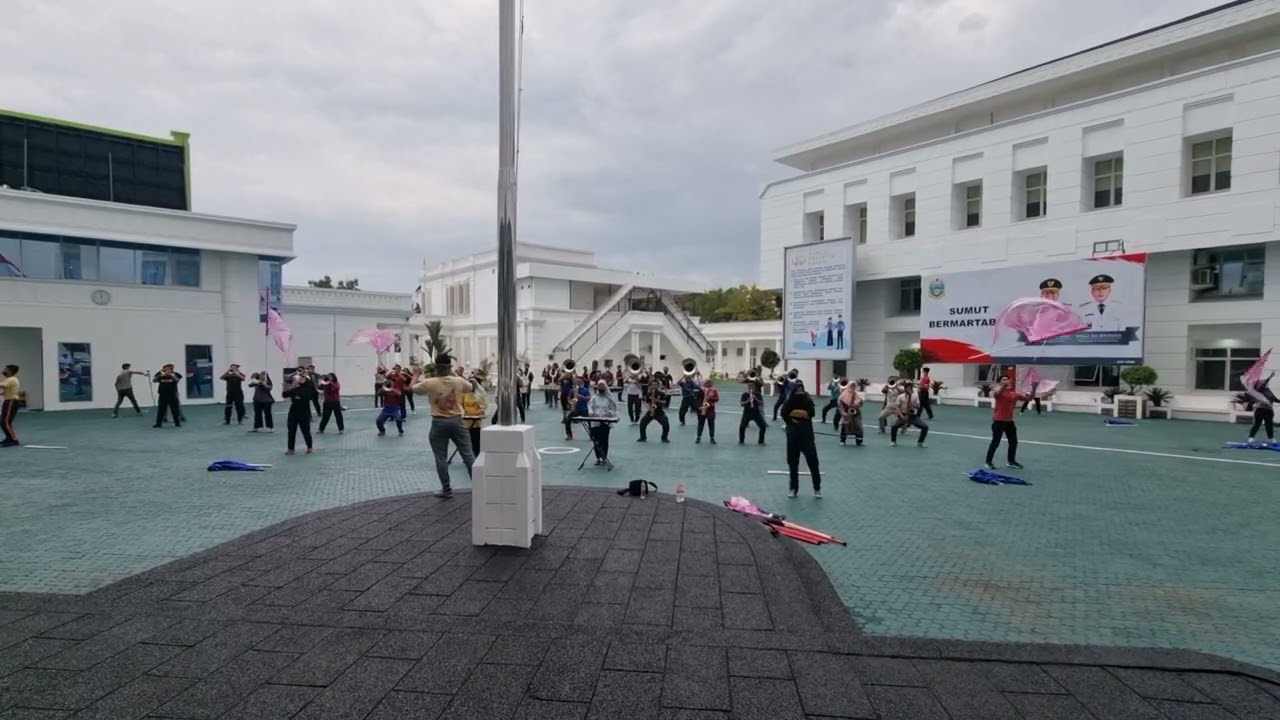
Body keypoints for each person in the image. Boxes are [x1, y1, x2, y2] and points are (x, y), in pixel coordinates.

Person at [410, 354, 475, 498]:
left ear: (436, 367)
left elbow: (412, 388)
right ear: (450, 367)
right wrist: (456, 375)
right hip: (458, 421)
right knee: (468, 455)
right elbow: (471, 387)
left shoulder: (430, 383)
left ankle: (446, 489)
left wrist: (415, 375)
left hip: (439, 422)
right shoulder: (458, 381)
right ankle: (479, 486)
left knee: (440, 457)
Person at [779, 380, 821, 499]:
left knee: (813, 462)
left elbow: (812, 413)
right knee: (792, 463)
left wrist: (804, 402)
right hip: (793, 436)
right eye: (797, 389)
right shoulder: (789, 400)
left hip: (807, 436)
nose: (799, 391)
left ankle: (817, 488)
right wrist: (791, 422)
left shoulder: (807, 399)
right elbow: (783, 413)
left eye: (801, 389)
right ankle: (793, 488)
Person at [985, 374, 1030, 470]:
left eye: (1007, 379)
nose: (1006, 381)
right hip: (998, 421)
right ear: (1000, 382)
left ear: (1010, 382)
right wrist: (1003, 386)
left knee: (1013, 442)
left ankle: (1011, 461)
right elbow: (997, 394)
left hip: (1009, 422)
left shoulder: (1014, 394)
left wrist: (1033, 391)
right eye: (1003, 379)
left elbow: (1027, 399)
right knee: (995, 442)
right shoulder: (997, 392)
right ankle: (988, 462)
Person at [282, 368, 316, 455]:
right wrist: (285, 388)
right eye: (300, 378)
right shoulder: (296, 388)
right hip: (293, 412)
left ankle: (309, 447)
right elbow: (284, 395)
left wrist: (294, 387)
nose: (300, 379)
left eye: (303, 378)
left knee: (305, 431)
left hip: (304, 413)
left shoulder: (308, 389)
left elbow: (310, 395)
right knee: (291, 431)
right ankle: (290, 449)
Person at [889, 380, 929, 448]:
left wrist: (912, 404)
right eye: (907, 388)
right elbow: (897, 408)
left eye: (910, 388)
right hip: (903, 415)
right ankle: (893, 441)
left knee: (925, 427)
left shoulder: (915, 396)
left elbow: (918, 407)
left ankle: (920, 442)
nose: (909, 389)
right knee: (893, 426)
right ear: (905, 389)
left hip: (912, 416)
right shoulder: (900, 397)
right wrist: (901, 416)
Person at [587, 379, 617, 465]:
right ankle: (598, 457)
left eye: (602, 386)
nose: (600, 387)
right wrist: (592, 414)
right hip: (595, 421)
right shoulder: (594, 398)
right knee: (596, 440)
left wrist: (609, 413)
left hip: (605, 422)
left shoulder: (609, 398)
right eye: (599, 385)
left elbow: (613, 409)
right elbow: (590, 407)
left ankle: (604, 457)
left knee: (604, 440)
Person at [637, 378, 670, 443]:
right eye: (653, 385)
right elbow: (645, 402)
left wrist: (656, 400)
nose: (654, 386)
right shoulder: (648, 393)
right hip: (650, 411)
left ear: (658, 386)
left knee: (666, 424)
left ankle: (664, 438)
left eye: (655, 385)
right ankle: (643, 437)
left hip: (659, 411)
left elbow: (664, 402)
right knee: (642, 423)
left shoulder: (661, 393)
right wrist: (649, 409)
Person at [1247, 373, 1277, 444]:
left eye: (1264, 382)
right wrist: (1269, 377)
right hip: (1260, 409)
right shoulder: (1260, 390)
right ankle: (1251, 437)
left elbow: (1276, 399)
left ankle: (1271, 438)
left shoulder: (1271, 391)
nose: (1263, 383)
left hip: (1269, 410)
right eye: (1262, 382)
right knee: (1257, 424)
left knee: (1269, 425)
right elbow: (1262, 385)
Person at [462, 376, 488, 454]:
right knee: (467, 437)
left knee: (476, 437)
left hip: (476, 420)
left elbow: (484, 405)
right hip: (466, 419)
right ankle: (468, 453)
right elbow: (460, 404)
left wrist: (480, 411)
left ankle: (477, 452)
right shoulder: (464, 394)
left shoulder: (479, 394)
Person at [739, 380, 767, 445]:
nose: (751, 388)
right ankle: (741, 441)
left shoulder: (758, 394)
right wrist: (748, 400)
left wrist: (756, 399)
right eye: (749, 387)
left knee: (763, 427)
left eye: (752, 387)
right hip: (747, 413)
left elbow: (762, 403)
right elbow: (741, 404)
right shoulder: (745, 395)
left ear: (754, 387)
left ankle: (761, 441)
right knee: (742, 427)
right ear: (748, 387)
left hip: (756, 413)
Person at [837, 379, 863, 446]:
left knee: (858, 425)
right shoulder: (843, 395)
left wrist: (858, 404)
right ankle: (842, 440)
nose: (853, 387)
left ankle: (859, 440)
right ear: (848, 386)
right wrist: (843, 413)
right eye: (851, 386)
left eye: (854, 386)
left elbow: (861, 403)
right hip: (846, 412)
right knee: (845, 425)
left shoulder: (856, 394)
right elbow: (840, 404)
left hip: (856, 412)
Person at [695, 378, 719, 444]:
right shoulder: (701, 390)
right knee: (701, 424)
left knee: (711, 423)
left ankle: (712, 438)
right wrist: (699, 406)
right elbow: (697, 399)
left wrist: (710, 398)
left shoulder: (714, 390)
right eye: (707, 383)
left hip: (710, 409)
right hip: (702, 408)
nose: (708, 384)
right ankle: (698, 437)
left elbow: (717, 398)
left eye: (709, 383)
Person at [1, 364, 20, 447]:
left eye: (6, 369)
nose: (4, 370)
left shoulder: (11, 379)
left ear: (10, 371)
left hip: (11, 402)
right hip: (8, 401)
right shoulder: (9, 379)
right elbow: (6, 390)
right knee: (3, 422)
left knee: (5, 422)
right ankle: (9, 438)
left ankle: (14, 440)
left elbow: (2, 385)